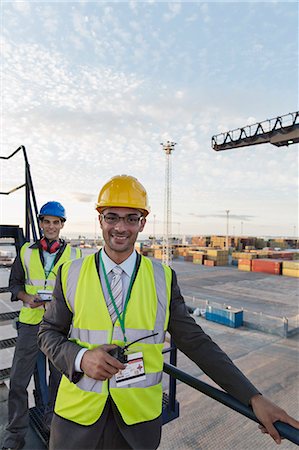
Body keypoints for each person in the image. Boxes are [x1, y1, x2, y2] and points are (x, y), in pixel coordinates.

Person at [38, 176, 299, 450]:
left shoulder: (162, 278)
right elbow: (48, 333)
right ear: (100, 220)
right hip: (77, 421)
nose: (120, 227)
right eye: (112, 217)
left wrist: (253, 397)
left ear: (142, 223)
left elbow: (196, 343)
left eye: (131, 218)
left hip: (136, 427)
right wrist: (81, 358)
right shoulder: (71, 273)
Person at [2, 201, 81, 450]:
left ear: (62, 225)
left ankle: (52, 428)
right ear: (40, 223)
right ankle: (14, 434)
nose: (51, 226)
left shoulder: (75, 255)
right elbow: (14, 283)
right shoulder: (25, 251)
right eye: (46, 221)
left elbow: (79, 291)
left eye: (56, 222)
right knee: (17, 382)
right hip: (30, 325)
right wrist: (27, 298)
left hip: (59, 327)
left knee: (58, 381)